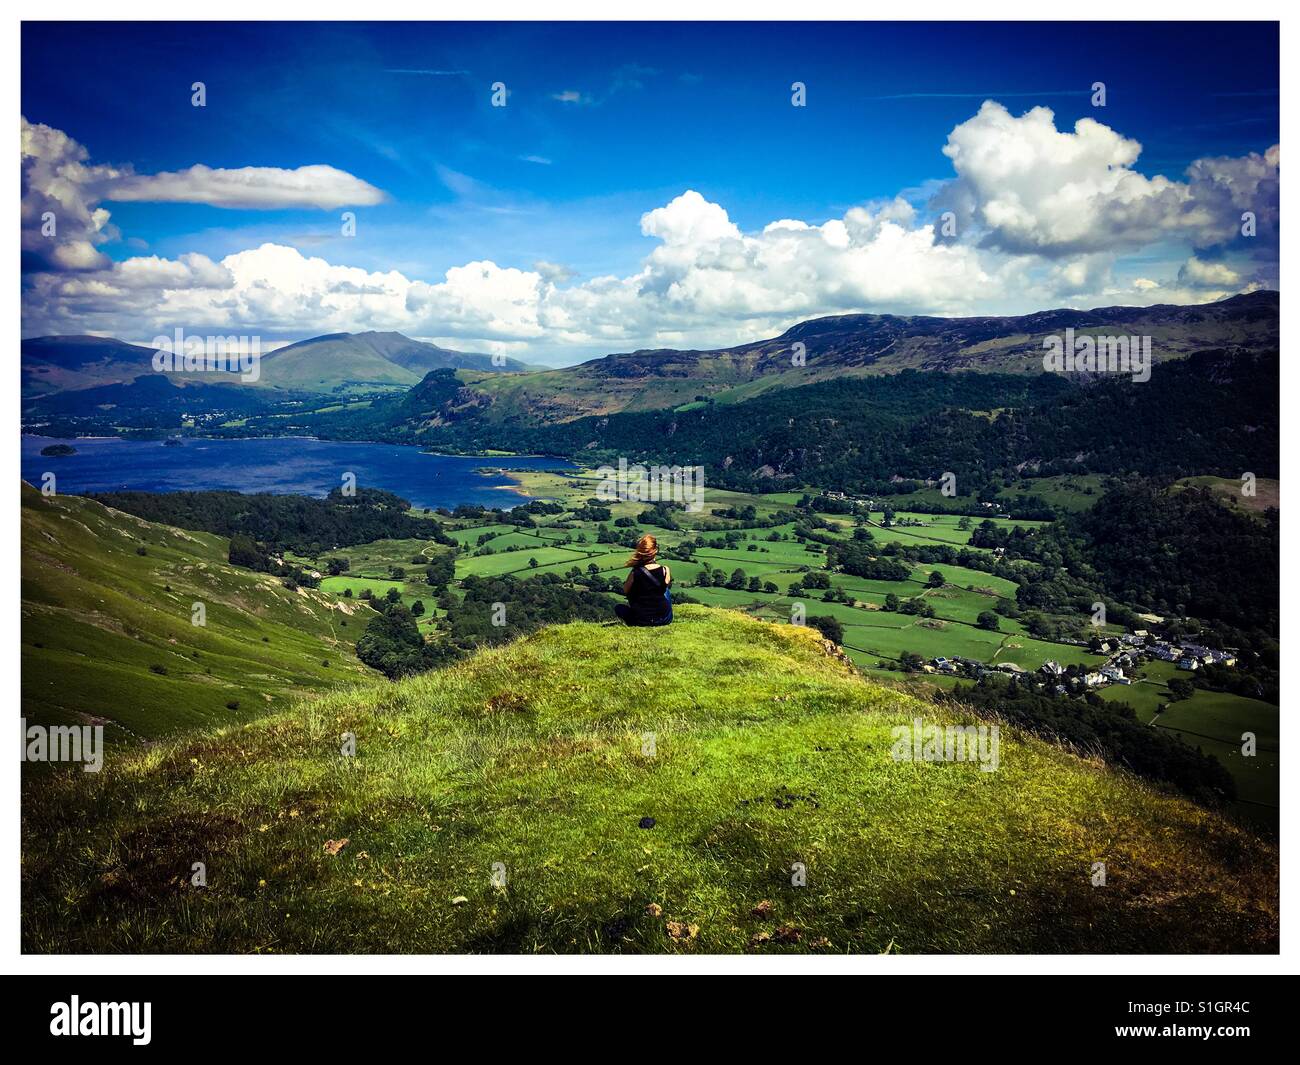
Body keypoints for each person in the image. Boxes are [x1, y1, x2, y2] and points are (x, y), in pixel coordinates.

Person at [615, 534, 673, 626]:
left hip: (641, 620)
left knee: (619, 608)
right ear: (655, 550)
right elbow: (666, 585)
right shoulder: (665, 570)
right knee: (666, 590)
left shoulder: (635, 572)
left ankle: (636, 617)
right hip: (663, 619)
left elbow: (626, 590)